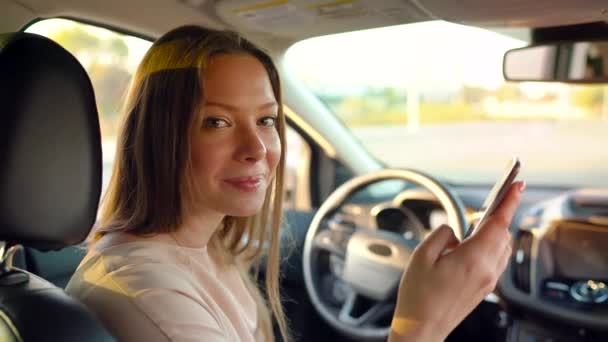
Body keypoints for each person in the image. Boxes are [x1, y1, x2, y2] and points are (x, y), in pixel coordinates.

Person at [66, 25, 524, 342]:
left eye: (266, 120)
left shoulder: (205, 250)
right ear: (159, 136)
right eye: (217, 121)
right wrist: (422, 323)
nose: (257, 148)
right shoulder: (148, 295)